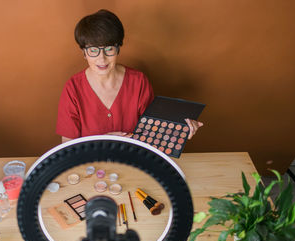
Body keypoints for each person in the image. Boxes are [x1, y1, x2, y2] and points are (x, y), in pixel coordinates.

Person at [56, 9, 203, 143]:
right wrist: (104, 140)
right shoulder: (73, 88)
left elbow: (151, 134)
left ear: (118, 48)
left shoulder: (138, 81)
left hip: (134, 160)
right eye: (93, 50)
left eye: (109, 49)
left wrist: (181, 129)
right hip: (91, 165)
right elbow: (67, 146)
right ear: (84, 52)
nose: (102, 58)